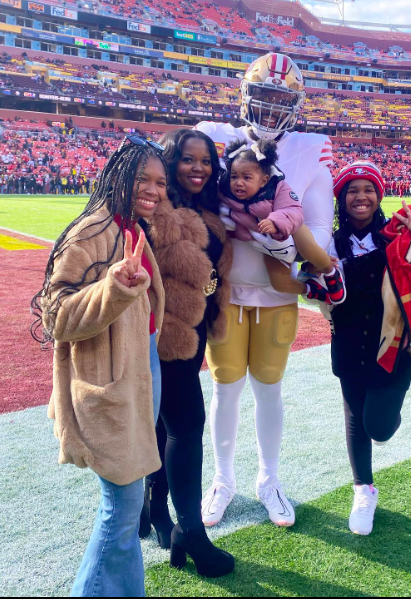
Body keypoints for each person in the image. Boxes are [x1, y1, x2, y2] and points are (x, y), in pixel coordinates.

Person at [195, 52, 335, 529]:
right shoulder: (213, 138)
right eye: (264, 97)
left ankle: (268, 479)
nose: (272, 109)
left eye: (281, 100)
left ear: (295, 105)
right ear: (245, 96)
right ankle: (223, 479)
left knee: (268, 389)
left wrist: (287, 251)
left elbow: (320, 225)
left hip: (277, 292)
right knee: (225, 388)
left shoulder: (312, 149)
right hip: (226, 290)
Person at [30, 136, 167, 597]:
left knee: (126, 511)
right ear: (119, 177)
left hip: (141, 370)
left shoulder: (132, 227)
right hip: (107, 380)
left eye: (160, 182)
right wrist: (113, 286)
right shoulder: (91, 232)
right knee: (120, 511)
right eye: (143, 179)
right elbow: (56, 317)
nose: (153, 189)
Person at [325, 161, 411, 537]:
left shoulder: (401, 236)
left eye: (368, 189)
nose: (360, 197)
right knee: (354, 417)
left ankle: (387, 419)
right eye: (352, 190)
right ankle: (363, 489)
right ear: (341, 198)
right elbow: (318, 291)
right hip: (348, 342)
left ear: (379, 195)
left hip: (394, 345)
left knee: (378, 427)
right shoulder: (329, 241)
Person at [139, 129, 235, 578]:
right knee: (186, 426)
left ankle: (153, 509)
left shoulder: (207, 210)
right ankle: (191, 532)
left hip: (193, 332)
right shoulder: (158, 210)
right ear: (171, 161)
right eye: (188, 159)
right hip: (165, 335)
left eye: (206, 161)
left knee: (165, 424)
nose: (199, 168)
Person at [219, 139, 344, 304]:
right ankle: (310, 290)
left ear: (263, 180)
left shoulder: (277, 186)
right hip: (266, 239)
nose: (238, 182)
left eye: (246, 177)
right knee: (280, 283)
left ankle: (330, 271)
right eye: (234, 176)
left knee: (308, 247)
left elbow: (293, 211)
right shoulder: (225, 190)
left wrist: (274, 221)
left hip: (289, 229)